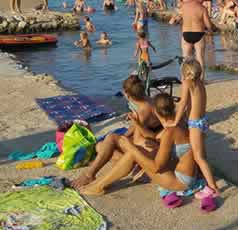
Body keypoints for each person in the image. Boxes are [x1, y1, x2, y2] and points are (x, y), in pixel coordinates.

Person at [81, 93, 197, 196]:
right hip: (183, 171)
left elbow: (156, 167)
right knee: (136, 151)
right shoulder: (177, 123)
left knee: (133, 154)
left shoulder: (170, 131)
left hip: (180, 181)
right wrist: (137, 123)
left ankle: (98, 186)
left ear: (155, 112)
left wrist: (131, 148)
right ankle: (101, 182)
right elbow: (154, 137)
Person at [72, 76, 162, 188]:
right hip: (154, 143)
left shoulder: (142, 111)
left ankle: (89, 174)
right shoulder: (150, 101)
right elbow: (134, 131)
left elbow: (135, 138)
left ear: (127, 95)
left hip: (151, 148)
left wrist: (119, 139)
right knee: (101, 146)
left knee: (109, 140)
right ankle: (135, 168)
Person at [164, 59, 219, 196]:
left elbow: (182, 104)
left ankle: (213, 188)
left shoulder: (187, 83)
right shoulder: (199, 83)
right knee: (202, 154)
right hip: (202, 120)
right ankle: (206, 178)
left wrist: (175, 122)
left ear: (186, 73)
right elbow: (191, 102)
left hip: (195, 124)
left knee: (199, 157)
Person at [181, 0, 214, 78]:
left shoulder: (184, 5)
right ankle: (201, 79)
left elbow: (182, 17)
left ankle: (184, 78)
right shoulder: (202, 8)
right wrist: (212, 30)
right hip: (199, 34)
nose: (203, 1)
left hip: (186, 33)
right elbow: (208, 25)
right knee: (200, 58)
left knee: (185, 58)